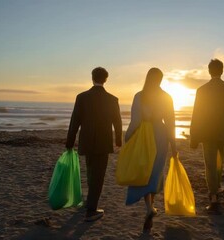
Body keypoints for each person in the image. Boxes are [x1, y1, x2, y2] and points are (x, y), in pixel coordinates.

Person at [65, 67, 122, 222]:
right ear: (106, 79)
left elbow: (74, 121)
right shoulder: (112, 99)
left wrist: (70, 141)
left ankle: (90, 202)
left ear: (92, 78)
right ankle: (91, 210)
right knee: (98, 175)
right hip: (103, 142)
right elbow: (117, 122)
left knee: (91, 172)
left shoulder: (82, 97)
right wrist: (118, 140)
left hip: (87, 141)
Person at [190, 59, 224, 214]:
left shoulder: (202, 90)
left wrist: (193, 136)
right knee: (218, 163)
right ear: (222, 71)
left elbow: (197, 115)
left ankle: (213, 195)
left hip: (207, 134)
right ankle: (215, 191)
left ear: (209, 71)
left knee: (209, 164)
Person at [125, 68, 177, 233]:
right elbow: (170, 123)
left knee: (144, 170)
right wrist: (174, 144)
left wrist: (127, 138)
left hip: (143, 134)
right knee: (155, 172)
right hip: (160, 135)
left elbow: (135, 121)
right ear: (161, 80)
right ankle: (151, 206)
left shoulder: (139, 96)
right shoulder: (167, 97)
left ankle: (149, 206)